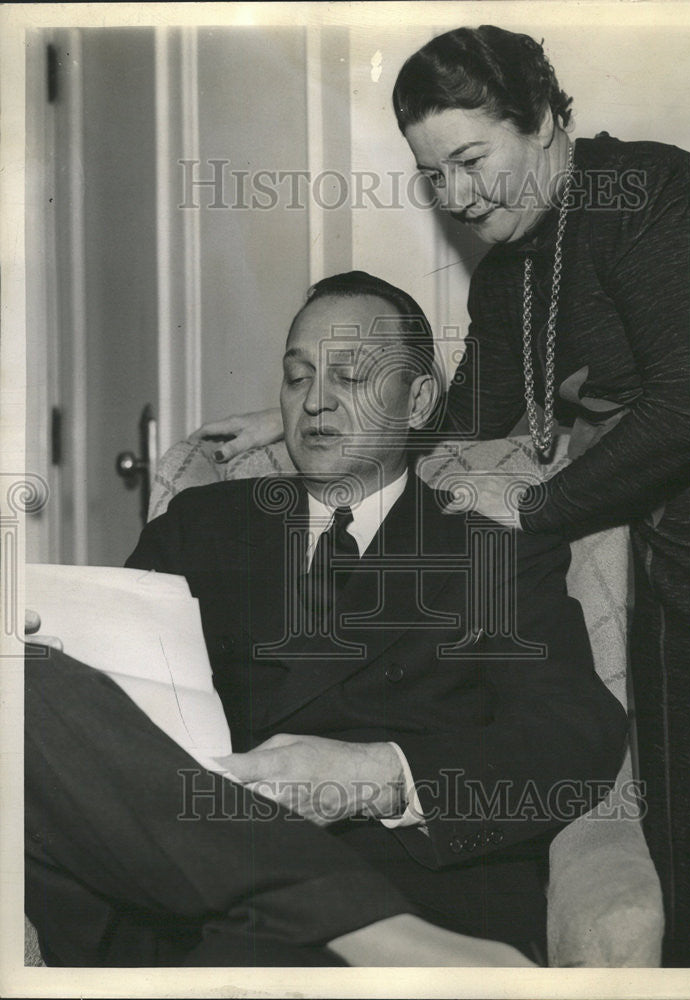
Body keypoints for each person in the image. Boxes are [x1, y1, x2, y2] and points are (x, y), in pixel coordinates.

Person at [197, 26, 690, 969]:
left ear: (546, 120)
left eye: (472, 160)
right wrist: (301, 413)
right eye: (435, 176)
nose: (458, 198)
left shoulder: (651, 195)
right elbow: (460, 415)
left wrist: (536, 511)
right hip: (676, 545)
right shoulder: (512, 269)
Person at [25, 271, 627, 967]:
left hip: (406, 884)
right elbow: (113, 702)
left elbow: (573, 738)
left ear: (420, 400)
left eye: (349, 375)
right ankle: (342, 917)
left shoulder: (490, 557)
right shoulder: (202, 527)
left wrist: (376, 776)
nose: (314, 401)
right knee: (34, 673)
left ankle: (355, 921)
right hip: (185, 886)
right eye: (296, 376)